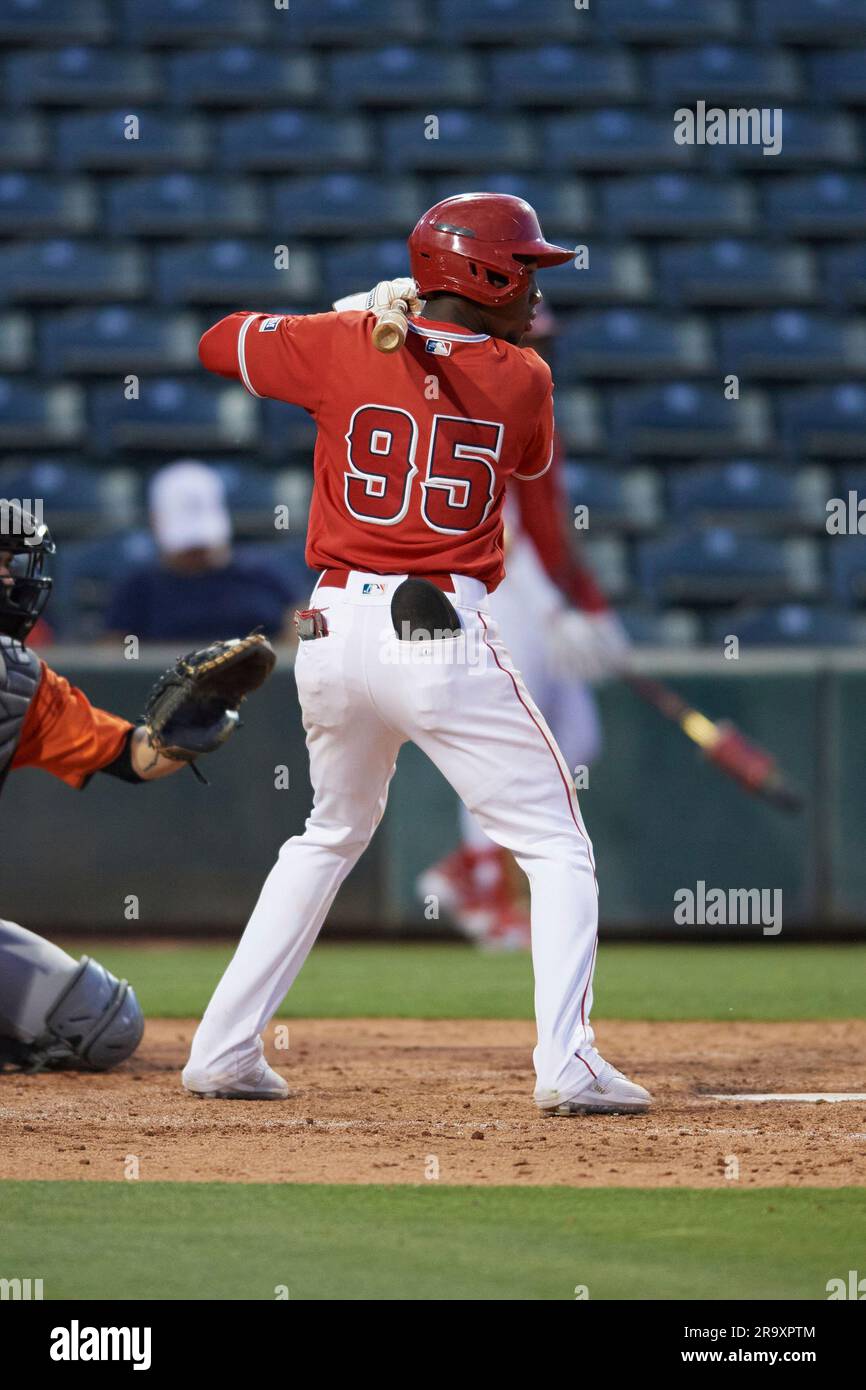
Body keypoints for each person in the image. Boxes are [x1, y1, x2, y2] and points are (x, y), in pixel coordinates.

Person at [183, 192, 651, 1115]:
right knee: (557, 846)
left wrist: (352, 320)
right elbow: (520, 462)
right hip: (435, 625)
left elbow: (216, 340)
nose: (534, 294)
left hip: (328, 628)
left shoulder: (343, 343)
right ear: (479, 274)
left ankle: (223, 1049)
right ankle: (567, 1062)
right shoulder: (525, 378)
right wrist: (397, 337)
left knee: (327, 833)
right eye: (523, 271)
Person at [0, 501, 260, 1073]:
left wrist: (185, 725)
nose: (11, 579)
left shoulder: (18, 680)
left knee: (101, 1022)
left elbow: (131, 756)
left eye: (10, 563)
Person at [418, 306, 631, 948]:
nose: (540, 352)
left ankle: (464, 869)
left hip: (526, 589)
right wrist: (572, 604)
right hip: (497, 590)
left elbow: (547, 523)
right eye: (528, 339)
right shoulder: (489, 398)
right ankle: (490, 887)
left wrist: (578, 603)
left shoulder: (514, 399)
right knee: (505, 747)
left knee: (575, 739)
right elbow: (530, 524)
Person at [104, 460, 297, 644]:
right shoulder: (138, 589)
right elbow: (115, 655)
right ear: (155, 522)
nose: (196, 554)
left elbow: (306, 622)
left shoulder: (265, 574)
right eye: (187, 547)